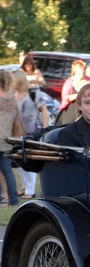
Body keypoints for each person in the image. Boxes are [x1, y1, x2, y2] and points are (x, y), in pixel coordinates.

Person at [13, 70, 45, 199]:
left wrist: (45, 128)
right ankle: (25, 187)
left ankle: (30, 191)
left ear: (19, 80)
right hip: (17, 132)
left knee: (29, 158)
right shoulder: (13, 94)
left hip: (32, 132)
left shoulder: (33, 93)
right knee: (19, 160)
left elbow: (44, 110)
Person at [0, 70, 24, 206]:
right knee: (7, 170)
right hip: (8, 136)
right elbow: (17, 116)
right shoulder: (11, 97)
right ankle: (13, 199)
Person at [57, 59, 90, 124]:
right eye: (79, 72)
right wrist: (78, 95)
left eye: (83, 71)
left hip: (85, 110)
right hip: (71, 110)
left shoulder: (88, 80)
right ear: (75, 71)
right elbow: (65, 97)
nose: (82, 73)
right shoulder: (70, 81)